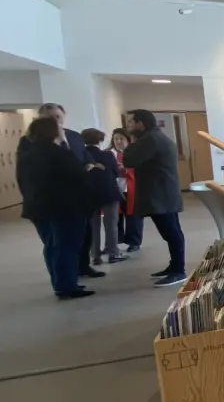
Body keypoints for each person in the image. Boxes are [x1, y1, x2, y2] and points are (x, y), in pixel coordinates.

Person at [16, 102, 103, 279]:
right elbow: (26, 174)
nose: (55, 121)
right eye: (50, 117)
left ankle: (82, 267)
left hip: (78, 199)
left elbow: (86, 158)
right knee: (57, 243)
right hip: (55, 201)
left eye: (57, 116)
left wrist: (90, 165)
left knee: (82, 236)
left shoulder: (74, 136)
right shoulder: (29, 142)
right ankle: (63, 280)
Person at [122, 109, 187, 286]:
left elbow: (128, 160)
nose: (128, 127)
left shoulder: (150, 140)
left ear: (141, 124)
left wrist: (128, 144)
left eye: (130, 122)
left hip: (160, 195)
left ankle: (178, 270)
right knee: (171, 232)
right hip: (162, 194)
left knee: (172, 233)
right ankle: (174, 266)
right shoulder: (154, 137)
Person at [83, 129, 128, 265]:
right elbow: (115, 172)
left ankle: (95, 255)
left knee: (93, 225)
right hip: (109, 193)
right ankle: (113, 253)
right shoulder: (107, 155)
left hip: (89, 194)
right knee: (111, 224)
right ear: (100, 140)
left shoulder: (81, 155)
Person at [111, 129, 144, 251]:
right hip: (115, 188)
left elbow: (141, 169)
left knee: (133, 217)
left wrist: (126, 170)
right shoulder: (110, 154)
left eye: (121, 138)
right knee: (115, 217)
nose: (118, 141)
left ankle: (134, 242)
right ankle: (116, 241)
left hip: (132, 187)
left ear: (128, 140)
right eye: (116, 139)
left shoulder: (135, 152)